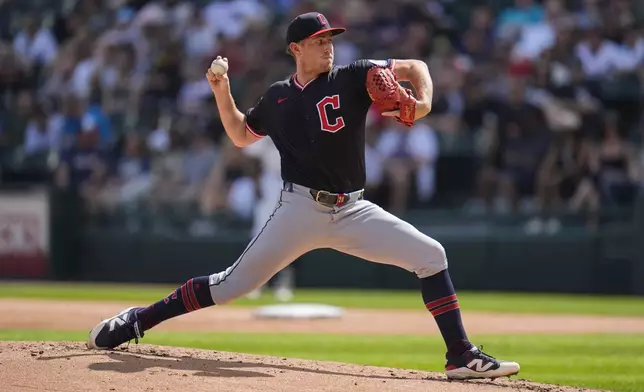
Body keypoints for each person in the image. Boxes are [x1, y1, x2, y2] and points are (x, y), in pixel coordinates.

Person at [87, 12, 521, 381]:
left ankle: (460, 356)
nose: (328, 45)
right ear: (296, 48)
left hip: (353, 209)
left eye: (330, 38)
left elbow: (415, 65)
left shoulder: (352, 77)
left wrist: (422, 102)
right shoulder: (277, 97)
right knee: (230, 285)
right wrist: (222, 92)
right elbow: (240, 134)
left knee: (431, 255)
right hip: (299, 208)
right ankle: (137, 320)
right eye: (318, 40)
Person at [243, 136, 295, 302]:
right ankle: (256, 283)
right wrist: (256, 182)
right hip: (270, 181)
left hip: (293, 181)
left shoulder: (301, 120)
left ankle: (283, 284)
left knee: (287, 237)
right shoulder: (268, 119)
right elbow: (251, 157)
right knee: (260, 235)